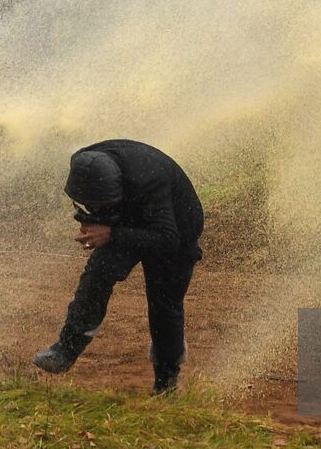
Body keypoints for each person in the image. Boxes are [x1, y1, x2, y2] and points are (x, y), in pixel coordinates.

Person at [33, 139, 204, 393]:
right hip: (129, 218)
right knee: (96, 275)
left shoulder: (149, 181)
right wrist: (94, 221)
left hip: (176, 232)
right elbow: (89, 204)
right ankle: (66, 350)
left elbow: (168, 239)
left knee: (164, 305)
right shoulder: (84, 161)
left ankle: (166, 382)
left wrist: (112, 233)